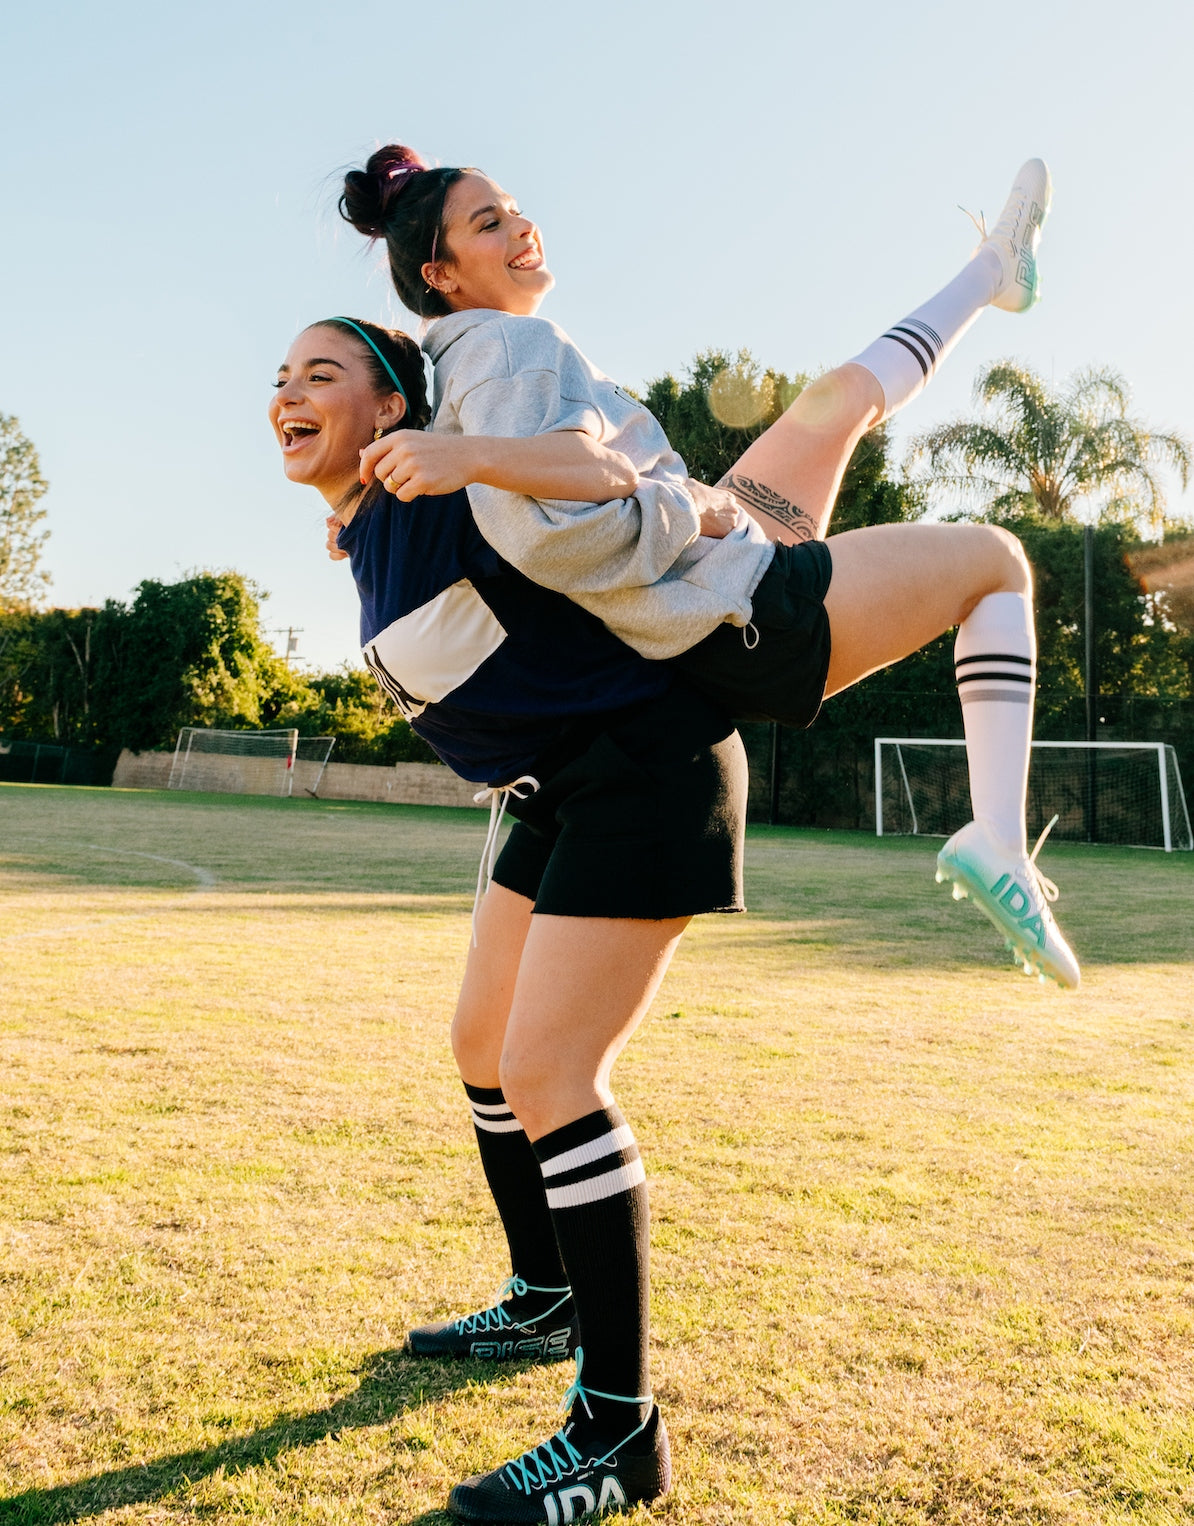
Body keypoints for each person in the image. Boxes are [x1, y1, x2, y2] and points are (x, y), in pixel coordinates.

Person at [337, 148, 1078, 996]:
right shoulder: (514, 345)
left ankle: (994, 269)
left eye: (511, 208)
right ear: (443, 273)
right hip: (730, 608)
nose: (520, 226)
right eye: (488, 223)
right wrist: (697, 509)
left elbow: (491, 492)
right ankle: (999, 842)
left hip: (711, 565)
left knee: (835, 400)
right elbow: (557, 530)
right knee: (996, 564)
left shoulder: (460, 363)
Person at [272, 313, 747, 1520]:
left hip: (644, 768)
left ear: (393, 412)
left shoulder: (451, 488)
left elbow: (606, 473)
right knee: (482, 1043)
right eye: (280, 379)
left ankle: (617, 1432)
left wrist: (464, 457)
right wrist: (369, 510)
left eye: (321, 373)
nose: (288, 391)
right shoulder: (375, 524)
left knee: (551, 1072)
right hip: (551, 795)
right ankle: (545, 1295)